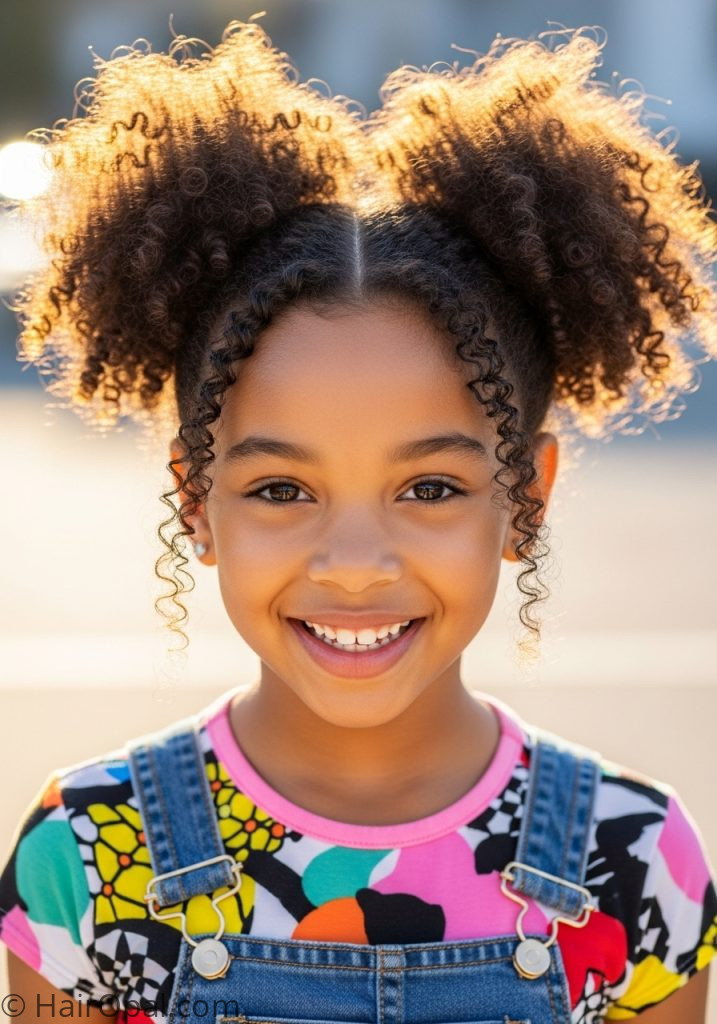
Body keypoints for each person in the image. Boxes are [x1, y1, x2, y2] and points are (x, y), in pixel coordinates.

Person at [0, 18, 715, 1024]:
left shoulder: (636, 855)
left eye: (429, 489)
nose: (352, 563)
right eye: (281, 490)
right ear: (194, 500)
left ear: (529, 496)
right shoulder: (81, 852)